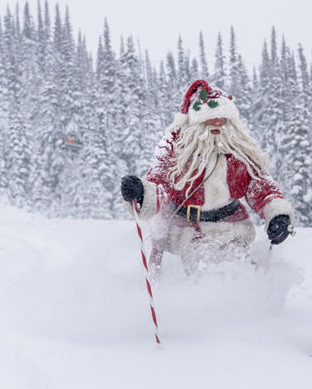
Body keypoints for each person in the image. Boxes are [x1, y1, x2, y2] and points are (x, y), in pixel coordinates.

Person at [120, 79, 294, 270]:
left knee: (239, 277)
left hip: (231, 228)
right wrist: (143, 194)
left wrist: (276, 213)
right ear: (197, 119)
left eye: (223, 117)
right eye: (211, 116)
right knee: (188, 283)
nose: (218, 122)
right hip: (182, 230)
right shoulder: (175, 145)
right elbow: (160, 180)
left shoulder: (238, 148)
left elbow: (260, 185)